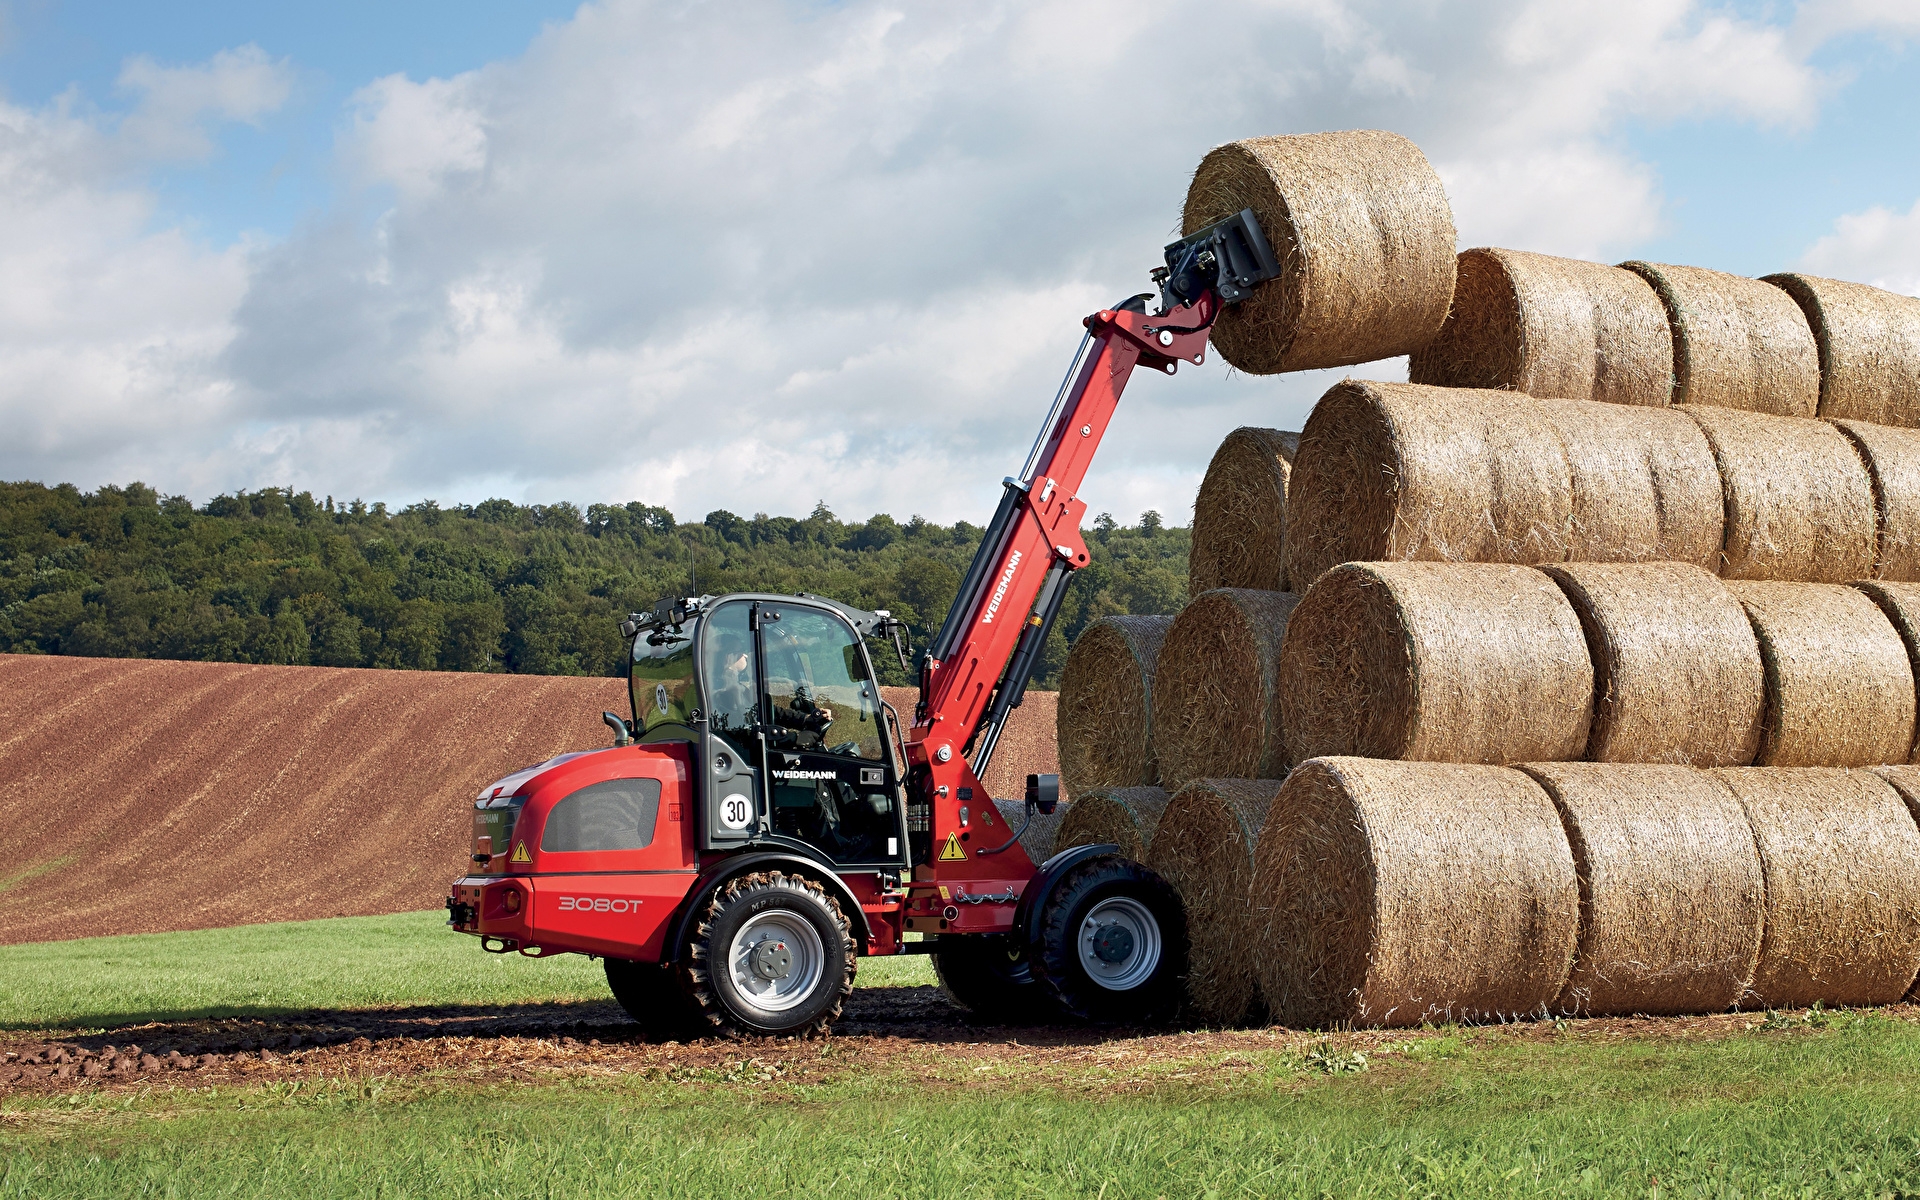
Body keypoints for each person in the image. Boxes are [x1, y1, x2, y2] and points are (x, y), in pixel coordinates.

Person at [707, 631, 832, 740]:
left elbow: (767, 711)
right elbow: (745, 731)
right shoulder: (723, 693)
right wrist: (794, 738)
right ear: (727, 657)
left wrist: (806, 718)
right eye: (740, 652)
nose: (745, 655)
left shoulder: (736, 687)